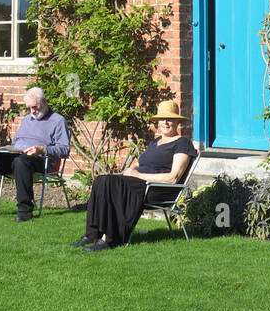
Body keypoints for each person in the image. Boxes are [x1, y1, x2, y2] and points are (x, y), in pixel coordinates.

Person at [71, 104, 197, 251]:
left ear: (177, 122)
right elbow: (139, 161)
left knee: (111, 184)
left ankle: (109, 239)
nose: (166, 122)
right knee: (101, 180)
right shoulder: (155, 142)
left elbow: (173, 178)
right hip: (139, 184)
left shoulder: (182, 143)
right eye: (162, 119)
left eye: (170, 119)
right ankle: (93, 233)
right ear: (158, 122)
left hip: (158, 188)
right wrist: (130, 169)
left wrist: (137, 175)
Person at [0, 86, 70, 221]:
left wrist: (42, 149)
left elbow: (64, 149)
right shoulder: (27, 119)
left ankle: (25, 210)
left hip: (40, 161)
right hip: (18, 156)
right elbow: (16, 142)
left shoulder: (58, 121)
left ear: (44, 101)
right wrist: (5, 150)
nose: (32, 111)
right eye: (28, 108)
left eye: (35, 107)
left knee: (21, 161)